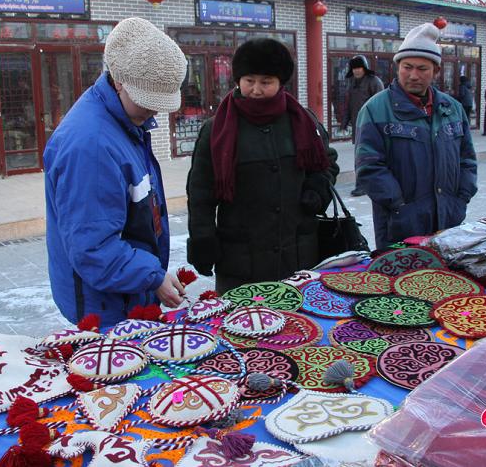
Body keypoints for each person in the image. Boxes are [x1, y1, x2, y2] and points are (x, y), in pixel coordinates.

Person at [44, 18, 188, 326]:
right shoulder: (91, 145)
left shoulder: (124, 122)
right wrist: (151, 276)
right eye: (148, 101)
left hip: (125, 287)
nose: (155, 111)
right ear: (119, 81)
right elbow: (93, 248)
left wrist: (151, 275)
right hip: (106, 301)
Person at [186, 38, 340, 293]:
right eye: (249, 81)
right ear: (238, 80)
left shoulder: (302, 121)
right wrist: (203, 241)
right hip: (241, 262)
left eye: (265, 82)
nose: (256, 89)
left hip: (299, 256)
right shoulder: (216, 129)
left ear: (281, 83)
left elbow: (326, 163)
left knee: (301, 328)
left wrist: (317, 189)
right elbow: (201, 192)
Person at [354, 23, 478, 249]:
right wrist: (400, 207)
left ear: (436, 71)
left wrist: (461, 199)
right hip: (399, 226)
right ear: (397, 66)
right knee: (401, 282)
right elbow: (369, 168)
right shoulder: (376, 110)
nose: (413, 75)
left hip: (448, 222)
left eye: (422, 69)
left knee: (445, 282)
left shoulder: (453, 109)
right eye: (407, 67)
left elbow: (467, 160)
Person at [343, 55, 384, 197]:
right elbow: (349, 104)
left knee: (372, 156)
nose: (357, 71)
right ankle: (360, 185)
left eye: (359, 68)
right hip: (357, 124)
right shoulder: (351, 82)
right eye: (354, 68)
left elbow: (381, 104)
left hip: (372, 125)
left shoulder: (374, 82)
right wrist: (344, 121)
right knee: (360, 156)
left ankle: (369, 184)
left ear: (365, 68)